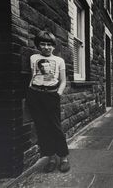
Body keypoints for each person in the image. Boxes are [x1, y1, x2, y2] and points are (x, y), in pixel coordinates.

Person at [26, 30, 70, 173]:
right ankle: (51, 158)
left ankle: (63, 158)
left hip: (51, 95)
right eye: (43, 44)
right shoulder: (33, 58)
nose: (46, 47)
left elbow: (63, 81)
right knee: (42, 127)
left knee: (55, 126)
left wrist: (58, 93)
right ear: (38, 45)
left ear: (53, 46)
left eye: (49, 44)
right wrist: (31, 92)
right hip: (35, 95)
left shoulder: (59, 60)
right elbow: (33, 76)